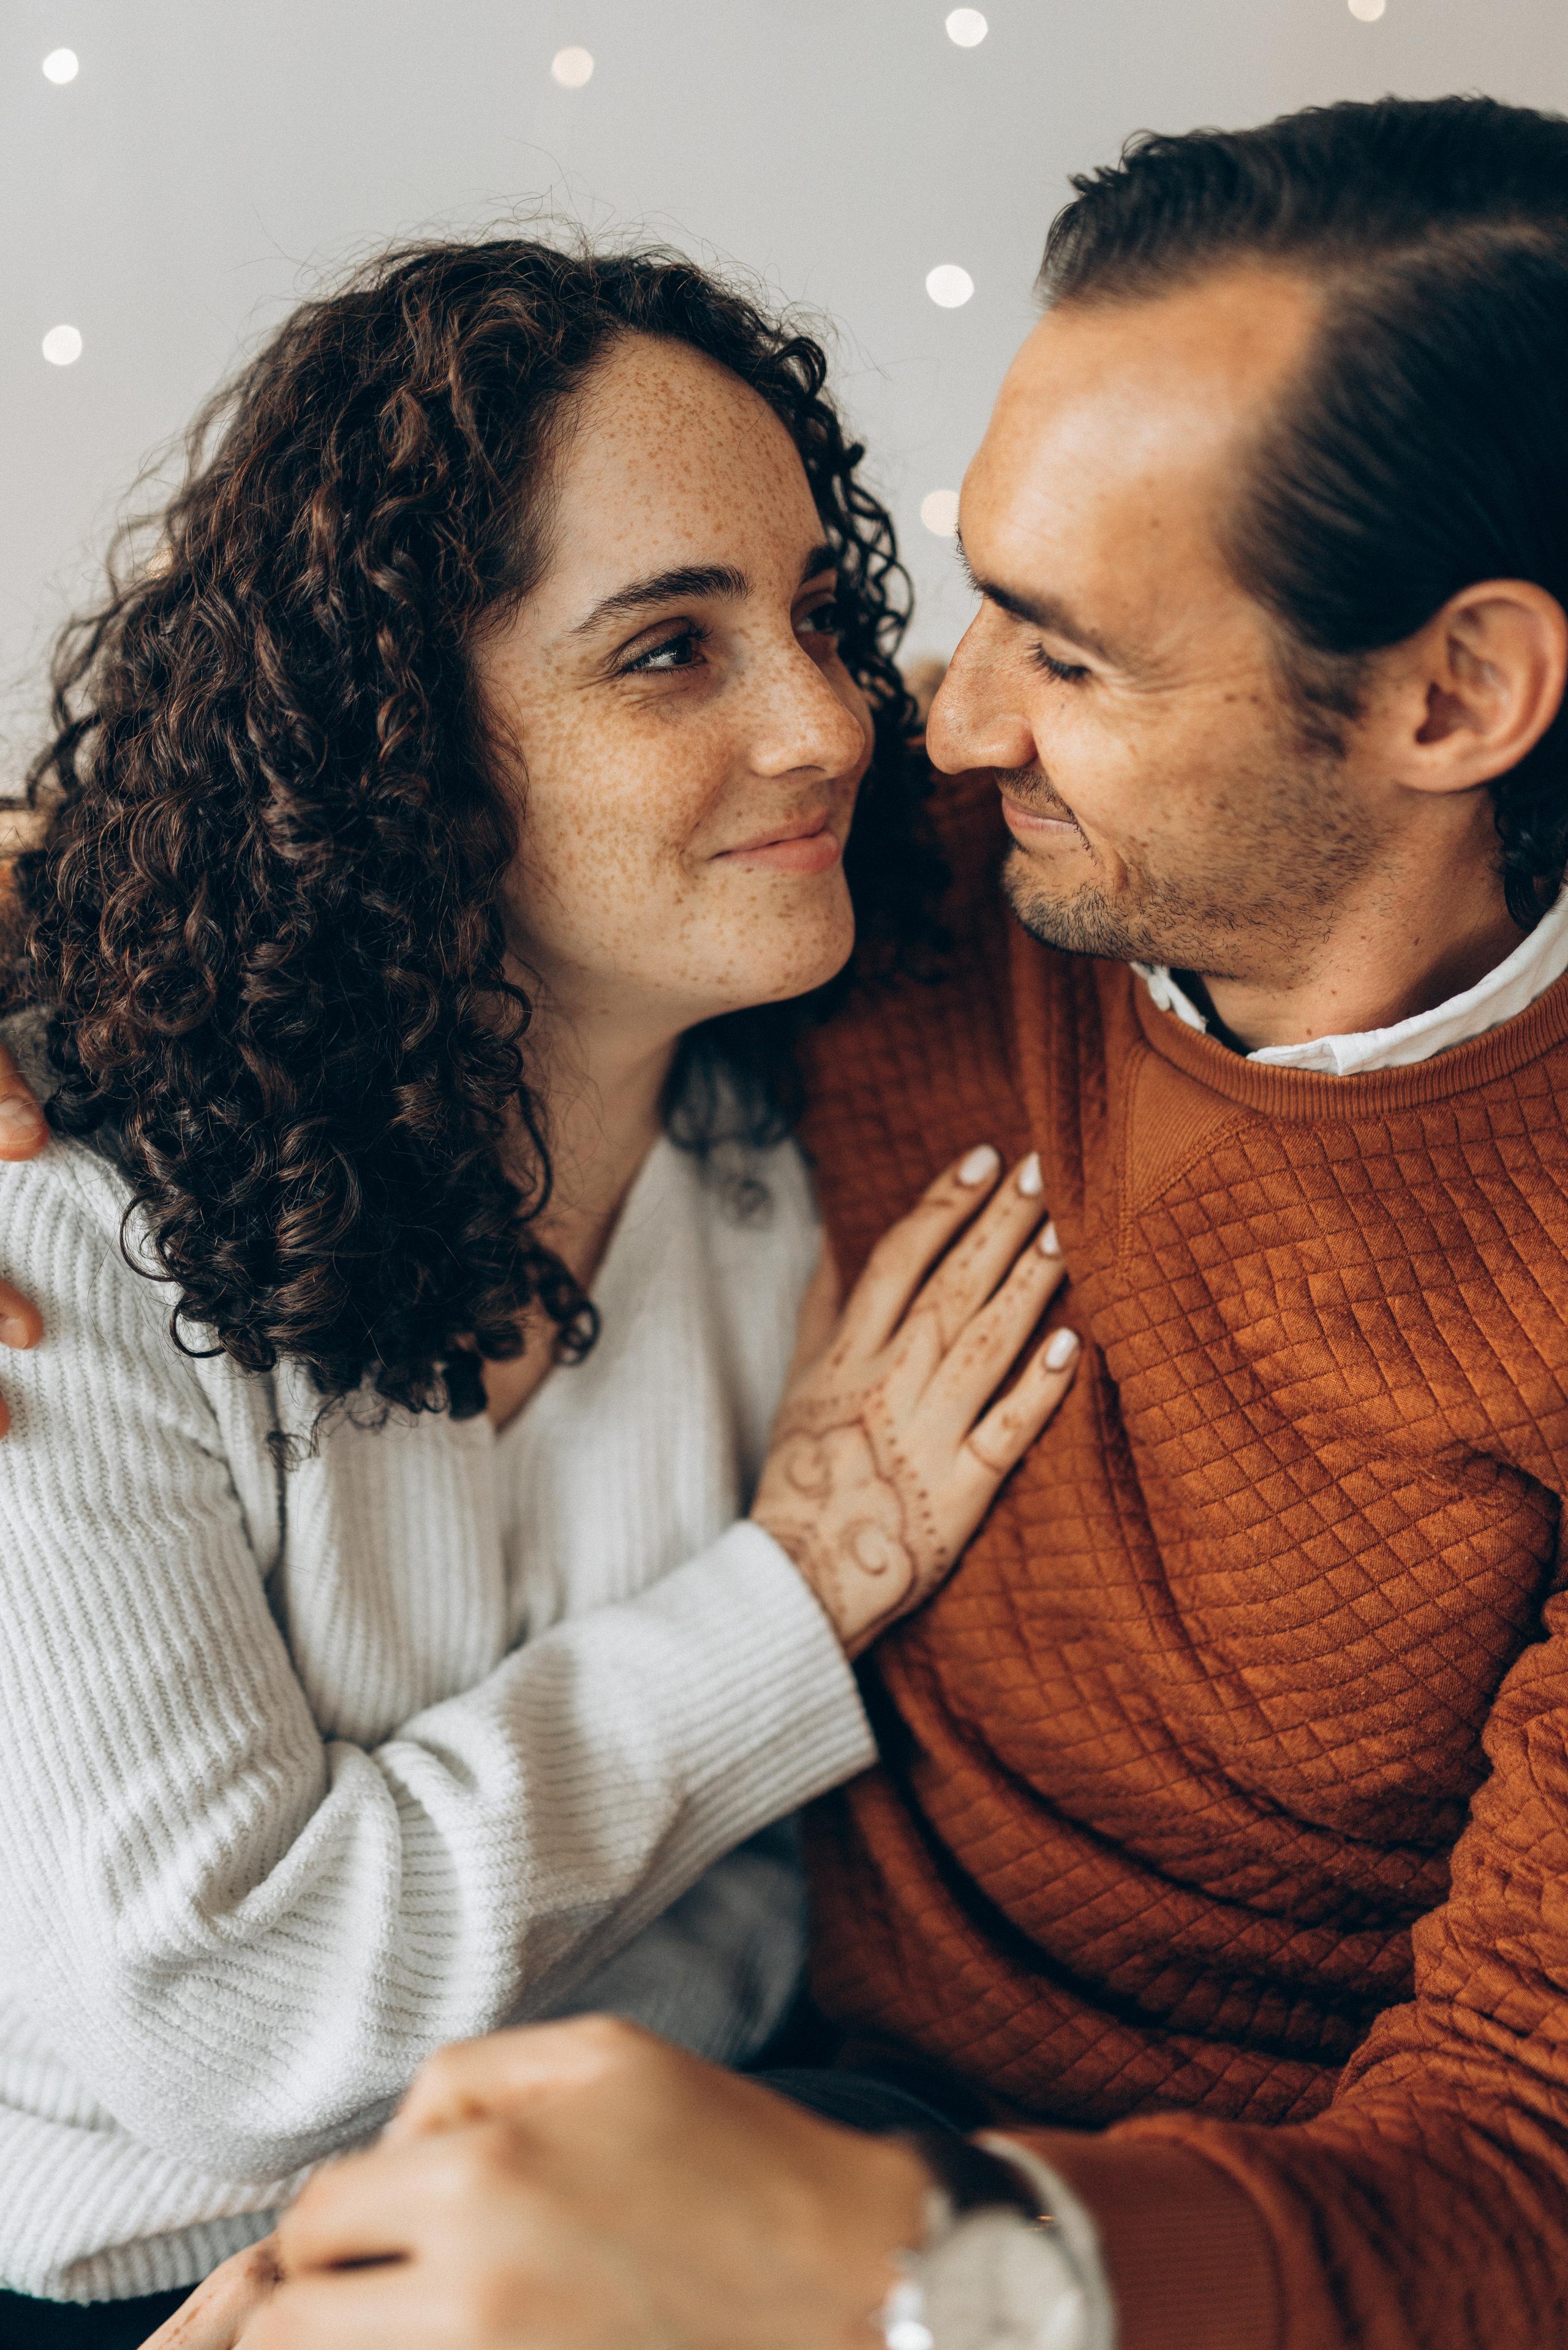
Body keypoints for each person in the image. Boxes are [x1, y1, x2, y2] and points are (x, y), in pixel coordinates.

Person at [110, 89, 1568, 2350]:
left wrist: (881, 2254)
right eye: (974, 596)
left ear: (1452, 695)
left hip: (1142, 2261)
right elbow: (343, 814)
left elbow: (1520, 2183)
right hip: (663, 2083)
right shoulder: (888, 885)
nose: (928, 724)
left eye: (1068, 656)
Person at [0, 241, 1084, 2344]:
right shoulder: (64, 1232)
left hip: (558, 2240)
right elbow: (216, 2018)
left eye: (826, 617)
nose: (831, 722)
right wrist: (797, 1588)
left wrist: (417, 2194)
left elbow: (758, 1900)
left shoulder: (790, 1162)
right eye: (670, 651)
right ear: (392, 737)